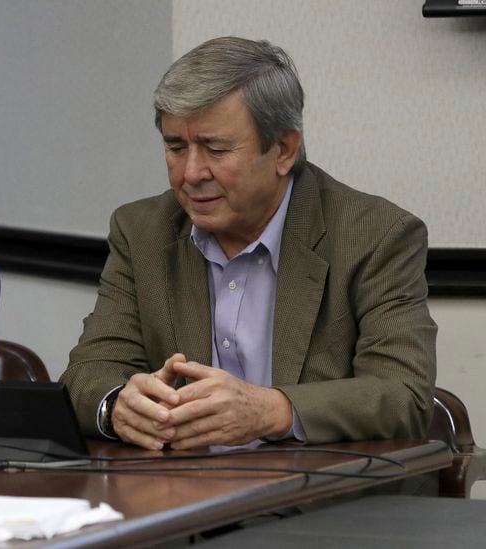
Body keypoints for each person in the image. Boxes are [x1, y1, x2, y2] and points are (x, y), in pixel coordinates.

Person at [61, 37, 437, 450]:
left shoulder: (374, 234)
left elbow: (403, 394)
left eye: (216, 149)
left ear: (283, 150)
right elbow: (89, 370)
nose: (190, 173)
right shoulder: (143, 231)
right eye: (175, 147)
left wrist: (271, 410)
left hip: (322, 498)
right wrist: (118, 407)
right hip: (180, 493)